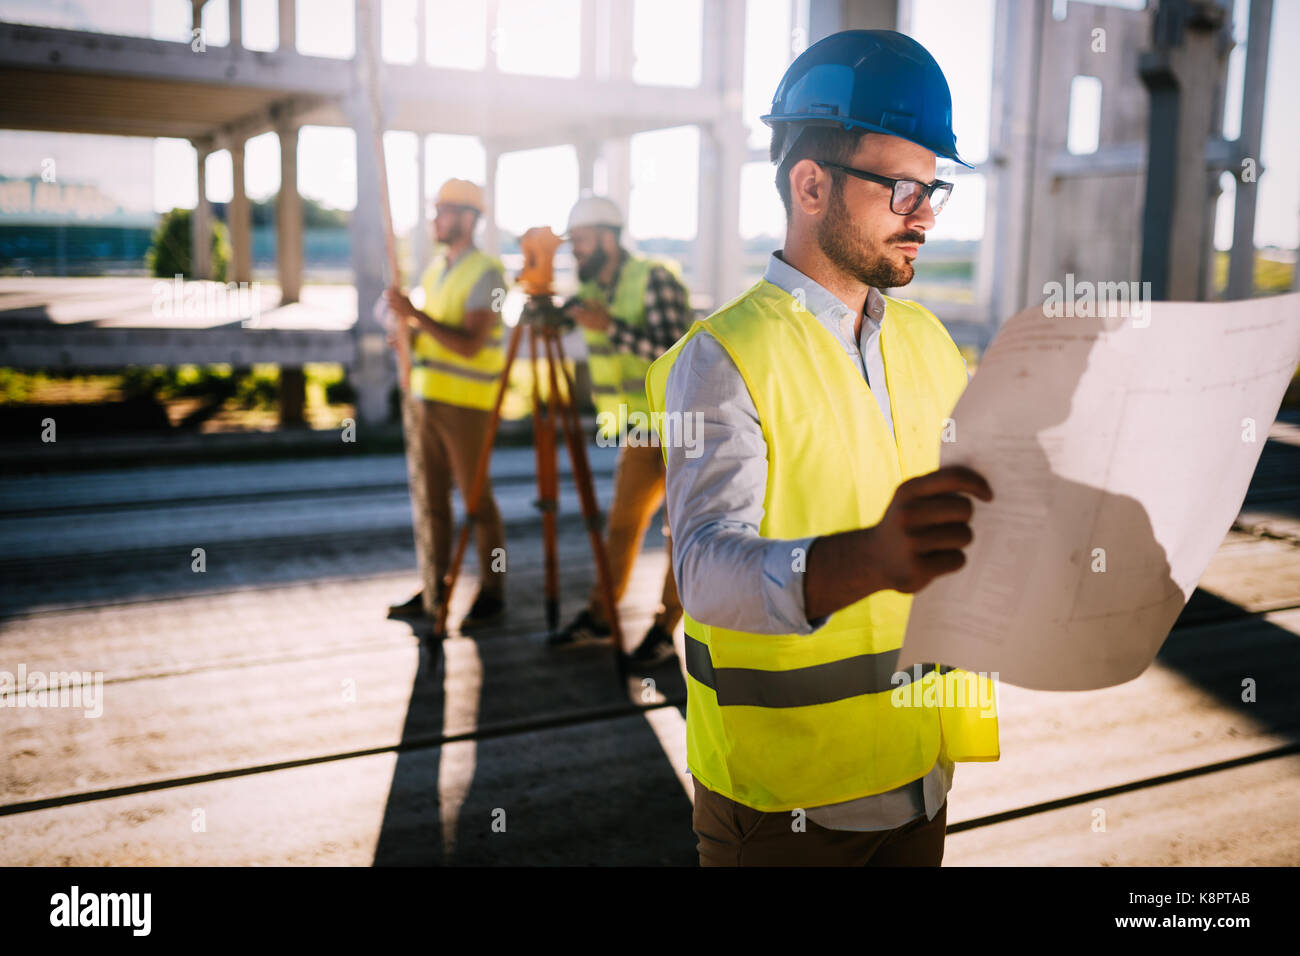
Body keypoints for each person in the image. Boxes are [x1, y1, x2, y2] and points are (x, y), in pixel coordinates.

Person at [645, 30, 1001, 866]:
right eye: (904, 187)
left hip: (923, 783)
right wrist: (871, 556)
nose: (927, 213)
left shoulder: (927, 343)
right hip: (784, 814)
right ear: (811, 184)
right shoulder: (723, 357)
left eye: (934, 187)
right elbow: (703, 573)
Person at [546, 195, 693, 668]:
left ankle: (666, 629)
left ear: (609, 238)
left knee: (680, 533)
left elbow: (680, 350)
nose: (576, 252)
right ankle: (601, 616)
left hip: (683, 427)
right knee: (621, 527)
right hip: (637, 429)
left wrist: (611, 327)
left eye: (583, 241)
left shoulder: (654, 278)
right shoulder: (593, 293)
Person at [384, 178, 508, 632]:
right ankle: (435, 589)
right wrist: (408, 333)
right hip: (427, 401)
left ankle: (494, 591)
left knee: (477, 504)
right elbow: (435, 334)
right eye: (436, 210)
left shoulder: (489, 274)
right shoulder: (436, 270)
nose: (436, 218)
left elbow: (471, 344)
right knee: (432, 503)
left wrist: (415, 315)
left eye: (445, 211)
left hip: (467, 407)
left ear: (469, 218)